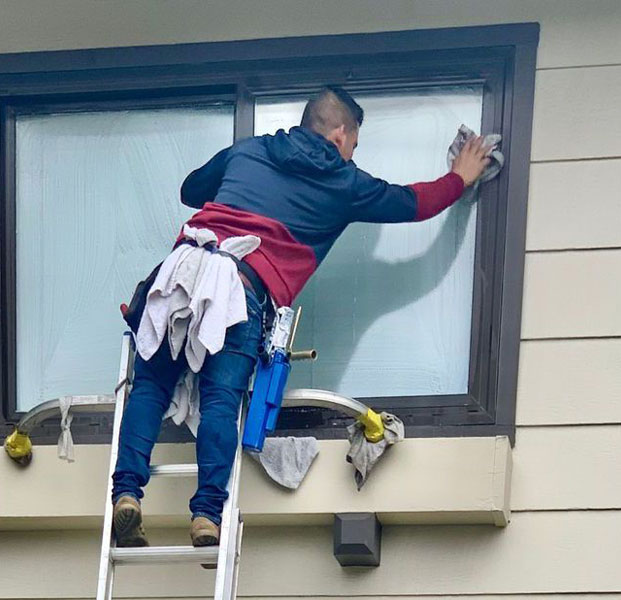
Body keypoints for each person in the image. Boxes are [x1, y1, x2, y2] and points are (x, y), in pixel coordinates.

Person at [111, 85, 493, 548]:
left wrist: (241, 177)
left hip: (178, 272)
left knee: (151, 385)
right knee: (220, 400)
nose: (353, 153)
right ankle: (207, 515)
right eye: (354, 143)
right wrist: (460, 176)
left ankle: (126, 494)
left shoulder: (249, 150)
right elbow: (413, 203)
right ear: (339, 134)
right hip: (240, 285)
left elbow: (191, 189)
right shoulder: (344, 183)